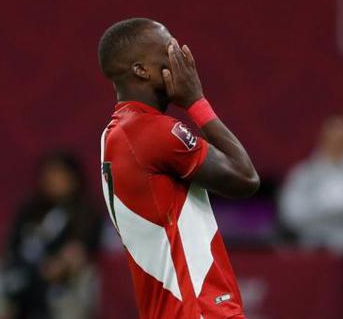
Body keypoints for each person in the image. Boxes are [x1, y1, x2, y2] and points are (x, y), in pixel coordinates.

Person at [97, 18, 260, 319]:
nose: (181, 57)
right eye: (168, 49)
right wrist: (197, 101)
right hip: (198, 309)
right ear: (141, 70)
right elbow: (245, 177)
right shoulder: (152, 132)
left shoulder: (114, 133)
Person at [279, 116, 343, 289]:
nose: (339, 142)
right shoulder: (302, 173)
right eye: (335, 136)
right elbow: (292, 215)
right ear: (323, 136)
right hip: (313, 255)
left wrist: (318, 209)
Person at [5, 151, 102, 319]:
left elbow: (82, 249)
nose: (52, 180)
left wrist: (61, 264)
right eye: (48, 174)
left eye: (59, 174)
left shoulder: (85, 214)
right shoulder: (30, 211)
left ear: (73, 178)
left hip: (64, 289)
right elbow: (13, 246)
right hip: (24, 281)